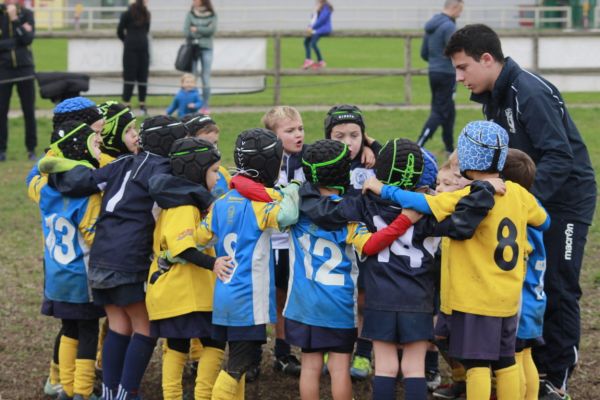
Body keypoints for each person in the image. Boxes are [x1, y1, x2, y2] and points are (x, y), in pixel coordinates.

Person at [444, 24, 597, 399]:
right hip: (525, 202)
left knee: (558, 285)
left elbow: (560, 157)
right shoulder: (493, 95)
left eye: (463, 68)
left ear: (486, 59)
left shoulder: (528, 92)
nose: (459, 77)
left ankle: (556, 380)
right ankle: (523, 369)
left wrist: (520, 205)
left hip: (565, 201)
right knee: (524, 284)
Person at [363, 121, 550, 400]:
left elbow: (421, 203)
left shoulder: (467, 196)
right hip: (510, 298)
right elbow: (544, 222)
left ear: (468, 158)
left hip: (476, 299)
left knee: (477, 365)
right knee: (506, 361)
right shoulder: (520, 194)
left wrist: (381, 189)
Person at [39, 115, 188, 399]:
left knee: (120, 325)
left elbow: (83, 180)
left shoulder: (120, 163)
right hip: (129, 258)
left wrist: (54, 169)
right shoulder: (164, 171)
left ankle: (110, 392)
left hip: (100, 258)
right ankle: (127, 392)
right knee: (145, 328)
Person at [285, 139, 424, 400]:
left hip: (303, 305)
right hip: (338, 308)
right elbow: (371, 245)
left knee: (310, 367)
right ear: (343, 173)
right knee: (339, 370)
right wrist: (403, 221)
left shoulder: (297, 211)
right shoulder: (351, 216)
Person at [195, 128, 300, 399]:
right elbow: (289, 216)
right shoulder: (259, 206)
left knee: (236, 366)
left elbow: (200, 237)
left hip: (224, 295)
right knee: (238, 365)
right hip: (247, 300)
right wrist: (291, 190)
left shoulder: (220, 202)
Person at [146, 137, 232, 400]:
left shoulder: (182, 199)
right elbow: (181, 247)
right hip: (184, 293)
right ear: (197, 170)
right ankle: (199, 395)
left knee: (178, 344)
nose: (219, 178)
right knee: (212, 342)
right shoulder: (183, 205)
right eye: (215, 171)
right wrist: (213, 263)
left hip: (180, 293)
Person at [27, 121, 106, 400]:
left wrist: (52, 158)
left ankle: (64, 386)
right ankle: (83, 392)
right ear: (80, 148)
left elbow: (32, 178)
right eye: (95, 143)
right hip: (80, 277)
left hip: (56, 276)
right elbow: (95, 236)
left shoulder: (44, 187)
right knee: (87, 331)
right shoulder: (90, 196)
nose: (100, 146)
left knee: (68, 328)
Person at [260, 106, 306, 378]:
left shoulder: (309, 158)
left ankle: (286, 351)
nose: (298, 134)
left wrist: (369, 145)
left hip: (297, 244)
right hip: (271, 243)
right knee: (273, 298)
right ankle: (258, 353)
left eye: (300, 128)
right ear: (273, 136)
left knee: (291, 297)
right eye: (290, 131)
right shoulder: (264, 161)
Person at [502, 148, 547, 400]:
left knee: (515, 358)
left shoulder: (515, 211)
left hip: (520, 300)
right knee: (526, 355)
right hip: (536, 299)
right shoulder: (534, 206)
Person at [416, 0, 463, 154]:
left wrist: (435, 62)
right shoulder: (449, 26)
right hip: (447, 74)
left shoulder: (431, 26)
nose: (460, 13)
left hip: (433, 72)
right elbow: (455, 52)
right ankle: (419, 144)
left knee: (449, 109)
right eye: (460, 10)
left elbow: (424, 53)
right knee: (439, 111)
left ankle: (449, 148)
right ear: (455, 7)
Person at [0, 0, 36, 161]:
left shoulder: (27, 14)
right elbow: (21, 38)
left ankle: (31, 149)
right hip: (3, 71)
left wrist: (15, 19)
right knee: (1, 112)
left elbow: (28, 39)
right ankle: (1, 150)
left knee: (29, 111)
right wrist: (15, 41)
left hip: (25, 69)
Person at [182, 112, 230, 198]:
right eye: (205, 144)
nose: (213, 149)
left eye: (215, 143)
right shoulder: (180, 178)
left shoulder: (222, 173)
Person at [118, 0, 151, 116]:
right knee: (129, 76)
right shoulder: (127, 14)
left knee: (142, 76)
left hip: (141, 48)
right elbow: (120, 31)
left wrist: (128, 41)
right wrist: (127, 41)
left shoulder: (146, 13)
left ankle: (142, 103)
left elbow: (146, 30)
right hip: (132, 49)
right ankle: (127, 103)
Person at [184, 0, 217, 113]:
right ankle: (192, 104)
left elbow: (211, 30)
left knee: (205, 77)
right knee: (192, 77)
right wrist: (203, 30)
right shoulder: (190, 14)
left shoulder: (212, 14)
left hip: (207, 48)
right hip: (193, 48)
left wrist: (197, 29)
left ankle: (205, 105)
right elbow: (186, 30)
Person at [302, 0, 333, 70]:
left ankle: (321, 61)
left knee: (313, 44)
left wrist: (312, 27)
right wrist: (309, 26)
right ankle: (308, 60)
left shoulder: (326, 7)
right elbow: (313, 19)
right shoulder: (318, 5)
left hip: (322, 29)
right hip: (316, 29)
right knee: (306, 42)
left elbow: (321, 20)